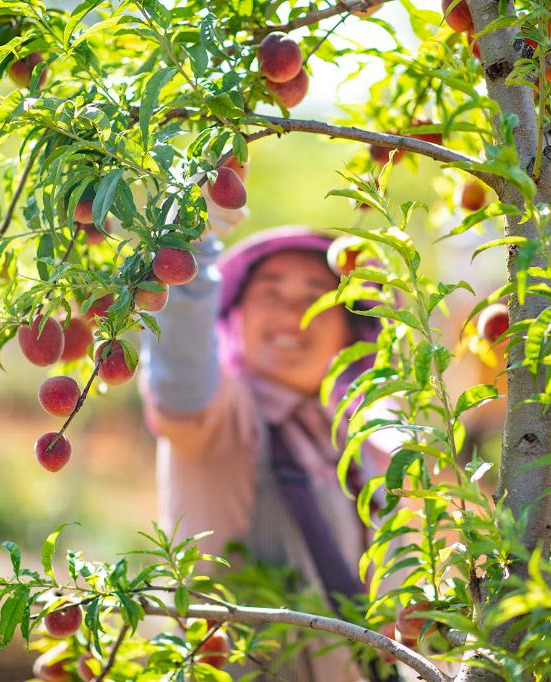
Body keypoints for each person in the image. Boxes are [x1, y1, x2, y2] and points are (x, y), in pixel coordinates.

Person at [139, 224, 395, 681]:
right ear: (236, 316)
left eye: (315, 298)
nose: (291, 315)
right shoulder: (226, 420)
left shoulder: (356, 442)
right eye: (270, 296)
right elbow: (181, 382)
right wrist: (193, 235)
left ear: (348, 330)